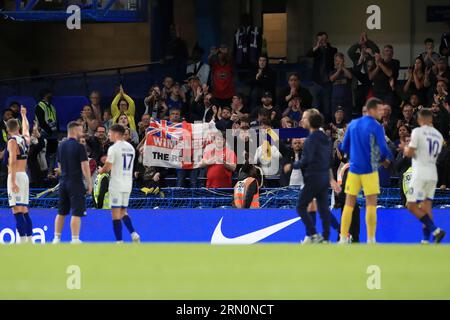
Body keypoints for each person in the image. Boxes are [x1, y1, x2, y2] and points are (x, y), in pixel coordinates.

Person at [339, 98, 393, 244]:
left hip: (354, 170)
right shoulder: (376, 126)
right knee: (371, 205)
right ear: (372, 110)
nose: (382, 112)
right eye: (380, 110)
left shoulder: (353, 124)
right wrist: (383, 159)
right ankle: (371, 239)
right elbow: (383, 149)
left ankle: (343, 238)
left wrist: (355, 152)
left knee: (348, 204)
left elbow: (343, 147)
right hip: (370, 170)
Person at [294, 109, 341, 244]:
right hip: (311, 176)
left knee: (315, 207)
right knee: (313, 207)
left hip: (316, 177)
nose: (302, 120)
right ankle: (313, 235)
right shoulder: (312, 135)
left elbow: (325, 160)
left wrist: (331, 179)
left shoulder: (319, 136)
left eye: (304, 118)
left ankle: (338, 232)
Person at [403, 109, 446, 243]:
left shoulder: (417, 131)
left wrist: (405, 148)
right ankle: (426, 240)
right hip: (432, 173)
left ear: (421, 119)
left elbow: (410, 153)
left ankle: (435, 230)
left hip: (420, 173)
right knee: (427, 206)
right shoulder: (439, 136)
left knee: (410, 205)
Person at [98, 124, 140, 243]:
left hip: (117, 183)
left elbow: (108, 166)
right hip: (127, 183)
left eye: (110, 133)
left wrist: (101, 171)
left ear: (116, 134)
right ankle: (133, 233)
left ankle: (119, 241)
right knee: (123, 211)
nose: (108, 135)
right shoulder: (131, 147)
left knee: (116, 214)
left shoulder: (114, 148)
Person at [52, 121, 93, 244]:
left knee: (61, 212)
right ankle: (75, 239)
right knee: (76, 212)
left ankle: (56, 239)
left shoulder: (61, 146)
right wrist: (89, 183)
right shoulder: (80, 147)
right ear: (74, 131)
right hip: (75, 182)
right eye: (80, 130)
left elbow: (59, 166)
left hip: (63, 182)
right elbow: (85, 166)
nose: (82, 133)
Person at [6, 106, 33, 243]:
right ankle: (29, 240)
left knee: (17, 211)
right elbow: (27, 129)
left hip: (16, 175)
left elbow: (12, 160)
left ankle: (22, 242)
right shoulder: (24, 139)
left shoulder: (12, 141)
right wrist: (24, 116)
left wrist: (12, 181)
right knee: (24, 210)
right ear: (18, 127)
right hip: (24, 175)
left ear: (7, 129)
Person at [307, 32, 338, 121]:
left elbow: (332, 54)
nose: (322, 41)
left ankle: (327, 127)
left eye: (324, 39)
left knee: (327, 107)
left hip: (327, 82)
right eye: (320, 39)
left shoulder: (332, 50)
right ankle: (315, 125)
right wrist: (317, 45)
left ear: (327, 39)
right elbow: (308, 54)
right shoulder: (316, 51)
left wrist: (325, 46)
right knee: (316, 106)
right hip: (316, 82)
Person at [35, 88, 58, 176]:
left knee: (53, 154)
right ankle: (44, 173)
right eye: (49, 94)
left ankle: (51, 173)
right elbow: (41, 121)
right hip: (45, 134)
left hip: (53, 135)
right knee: (44, 155)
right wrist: (48, 131)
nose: (51, 95)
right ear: (44, 95)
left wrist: (56, 132)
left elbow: (56, 119)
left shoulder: (52, 107)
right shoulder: (39, 106)